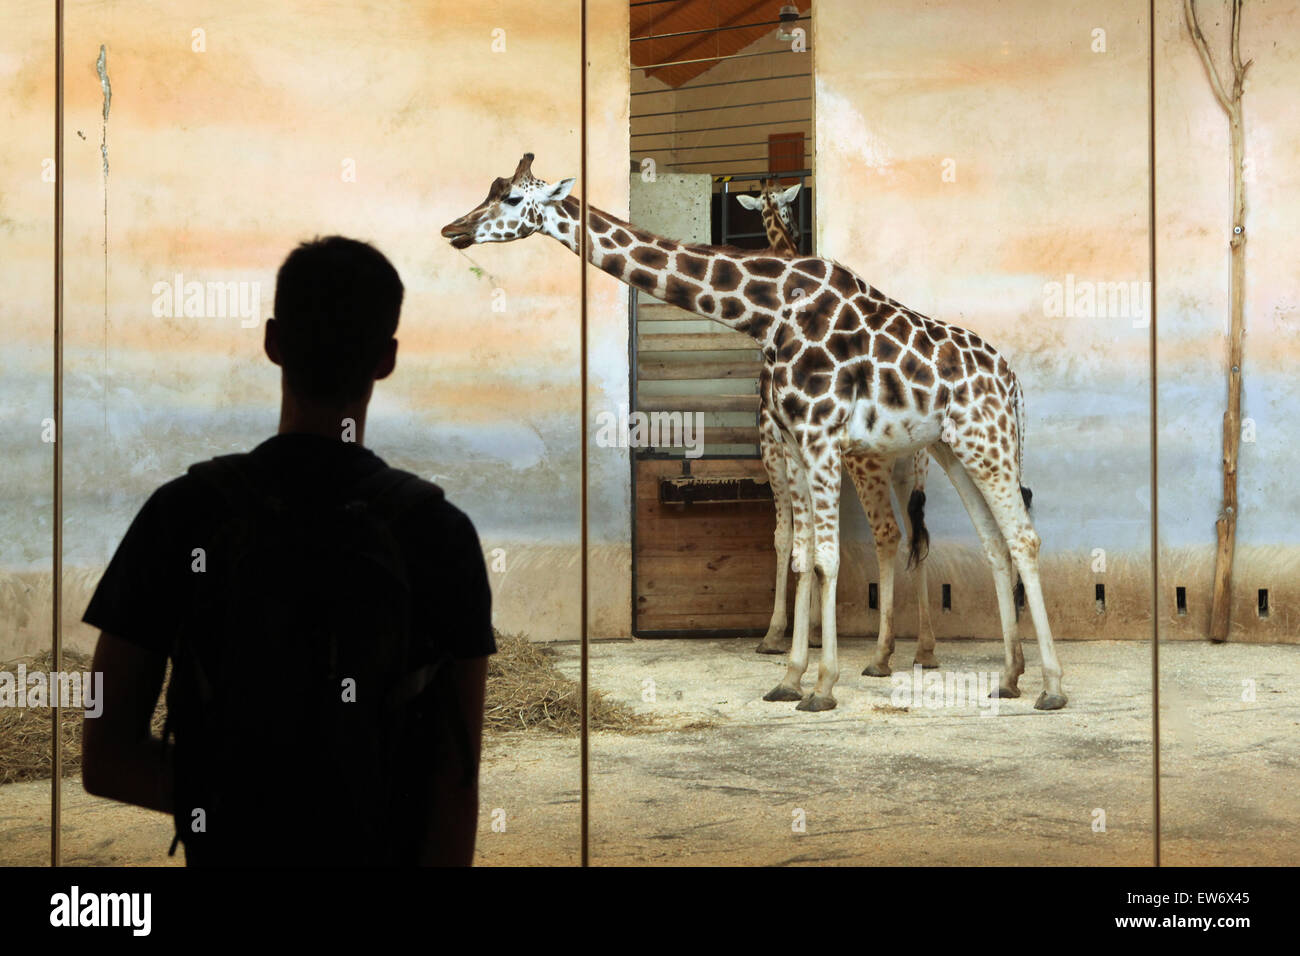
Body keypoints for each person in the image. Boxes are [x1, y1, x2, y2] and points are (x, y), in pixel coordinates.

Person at [81, 235, 494, 866]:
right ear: (386, 359)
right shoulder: (439, 534)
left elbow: (106, 759)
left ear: (272, 342)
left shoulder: (185, 513)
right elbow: (454, 782)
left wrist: (236, 799)